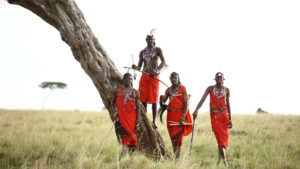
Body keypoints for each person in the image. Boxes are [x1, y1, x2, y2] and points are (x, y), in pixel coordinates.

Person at [193, 72, 232, 166]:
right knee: (220, 139)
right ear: (214, 79)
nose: (219, 79)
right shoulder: (210, 88)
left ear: (223, 79)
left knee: (223, 140)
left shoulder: (226, 90)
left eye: (220, 77)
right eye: (217, 77)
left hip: (224, 117)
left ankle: (219, 162)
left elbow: (228, 105)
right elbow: (202, 99)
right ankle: (225, 162)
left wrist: (230, 119)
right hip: (215, 117)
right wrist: (196, 110)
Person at [132, 32, 166, 129]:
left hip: (154, 77)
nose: (150, 40)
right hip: (144, 77)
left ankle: (154, 121)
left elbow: (164, 62)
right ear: (146, 40)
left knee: (154, 100)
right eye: (148, 39)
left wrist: (156, 71)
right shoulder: (142, 52)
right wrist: (135, 67)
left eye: (152, 39)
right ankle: (146, 120)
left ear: (154, 40)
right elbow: (139, 66)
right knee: (143, 99)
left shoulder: (158, 50)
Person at [159, 72, 193, 160]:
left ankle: (177, 159)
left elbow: (186, 103)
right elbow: (164, 102)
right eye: (172, 78)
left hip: (179, 116)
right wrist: (161, 99)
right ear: (170, 79)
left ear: (178, 78)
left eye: (175, 77)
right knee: (173, 138)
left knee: (178, 138)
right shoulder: (168, 90)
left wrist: (183, 117)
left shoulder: (183, 88)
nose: (174, 79)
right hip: (170, 116)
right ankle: (176, 157)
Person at [111, 73, 140, 155]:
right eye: (126, 78)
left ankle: (128, 155)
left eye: (130, 78)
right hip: (122, 118)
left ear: (132, 80)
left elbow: (138, 108)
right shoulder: (117, 91)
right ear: (123, 80)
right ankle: (125, 157)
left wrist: (138, 122)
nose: (128, 80)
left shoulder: (136, 92)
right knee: (124, 138)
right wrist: (115, 112)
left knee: (133, 140)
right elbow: (112, 102)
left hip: (132, 119)